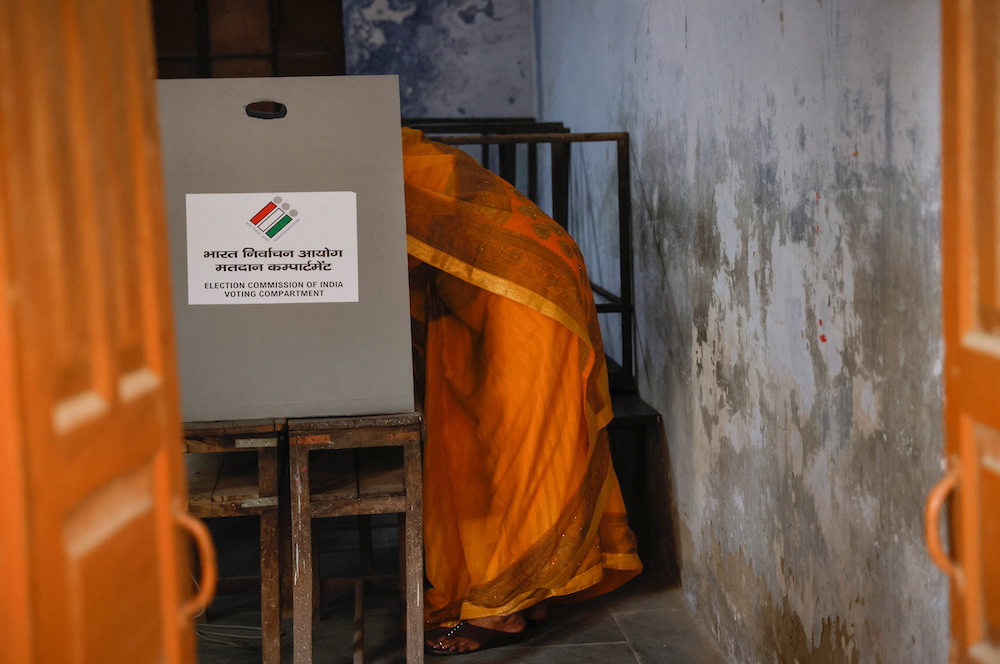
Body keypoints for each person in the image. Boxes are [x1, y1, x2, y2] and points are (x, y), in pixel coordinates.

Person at [402, 127, 643, 656]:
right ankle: (525, 589)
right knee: (488, 443)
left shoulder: (373, 167)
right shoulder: (394, 153)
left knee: (521, 446)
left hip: (526, 295)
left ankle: (500, 609)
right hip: (506, 284)